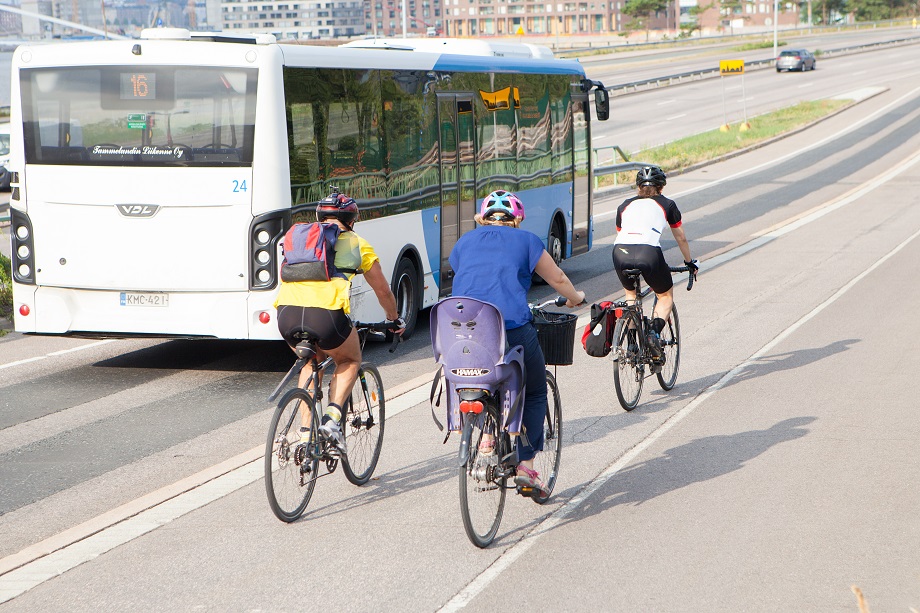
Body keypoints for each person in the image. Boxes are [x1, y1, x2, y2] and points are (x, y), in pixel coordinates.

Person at [449, 190, 585, 495]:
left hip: (462, 333)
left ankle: (485, 438)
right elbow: (558, 278)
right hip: (510, 329)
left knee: (482, 378)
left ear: (480, 218)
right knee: (536, 391)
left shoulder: (464, 242)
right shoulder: (526, 241)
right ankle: (526, 467)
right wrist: (576, 298)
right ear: (518, 219)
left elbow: (472, 275)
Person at [275, 189, 404, 451]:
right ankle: (332, 420)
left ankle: (304, 438)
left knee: (312, 363)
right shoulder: (357, 243)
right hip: (325, 316)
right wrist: (394, 318)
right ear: (351, 220)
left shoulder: (302, 241)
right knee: (349, 359)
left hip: (286, 314)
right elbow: (383, 290)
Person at [613, 166, 698, 364]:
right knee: (665, 295)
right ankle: (652, 334)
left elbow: (620, 231)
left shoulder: (624, 205)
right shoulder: (667, 204)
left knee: (631, 296)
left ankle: (632, 345)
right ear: (661, 187)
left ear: (638, 187)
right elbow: (681, 238)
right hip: (648, 252)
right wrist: (689, 262)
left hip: (620, 251)